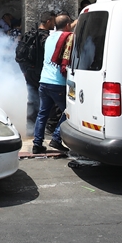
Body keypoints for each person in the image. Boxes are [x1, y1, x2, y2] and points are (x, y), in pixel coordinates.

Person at [33, 14, 73, 155]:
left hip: (44, 80)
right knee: (70, 111)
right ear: (67, 25)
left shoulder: (50, 37)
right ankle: (56, 138)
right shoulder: (68, 38)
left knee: (42, 114)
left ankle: (37, 143)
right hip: (58, 83)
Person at [16, 12, 55, 136]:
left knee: (32, 99)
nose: (54, 24)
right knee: (48, 100)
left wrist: (24, 71)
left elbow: (19, 55)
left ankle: (31, 128)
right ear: (48, 21)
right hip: (42, 73)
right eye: (53, 21)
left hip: (29, 72)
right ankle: (43, 129)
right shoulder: (47, 38)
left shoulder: (29, 35)